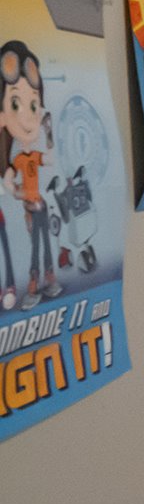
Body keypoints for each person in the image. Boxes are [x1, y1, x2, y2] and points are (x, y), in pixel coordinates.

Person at [1, 40, 60, 307]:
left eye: (33, 105)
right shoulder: (17, 162)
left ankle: (49, 277)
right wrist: (20, 194)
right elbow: (10, 186)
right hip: (30, 207)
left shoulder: (33, 156)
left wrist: (49, 132)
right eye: (16, 104)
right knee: (35, 246)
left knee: (47, 244)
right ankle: (33, 281)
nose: (28, 118)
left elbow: (51, 158)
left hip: (41, 206)